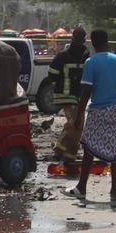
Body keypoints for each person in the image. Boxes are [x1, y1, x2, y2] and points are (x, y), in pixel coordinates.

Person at [71, 29, 116, 203]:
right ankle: (114, 191)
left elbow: (86, 92)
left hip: (98, 110)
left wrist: (78, 115)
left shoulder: (91, 62)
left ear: (93, 43)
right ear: (107, 41)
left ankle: (82, 188)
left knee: (88, 148)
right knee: (115, 149)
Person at [47, 27, 88, 162]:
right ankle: (59, 149)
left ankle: (70, 154)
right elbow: (52, 75)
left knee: (79, 124)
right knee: (74, 121)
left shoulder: (85, 56)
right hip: (65, 95)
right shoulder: (62, 56)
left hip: (79, 96)